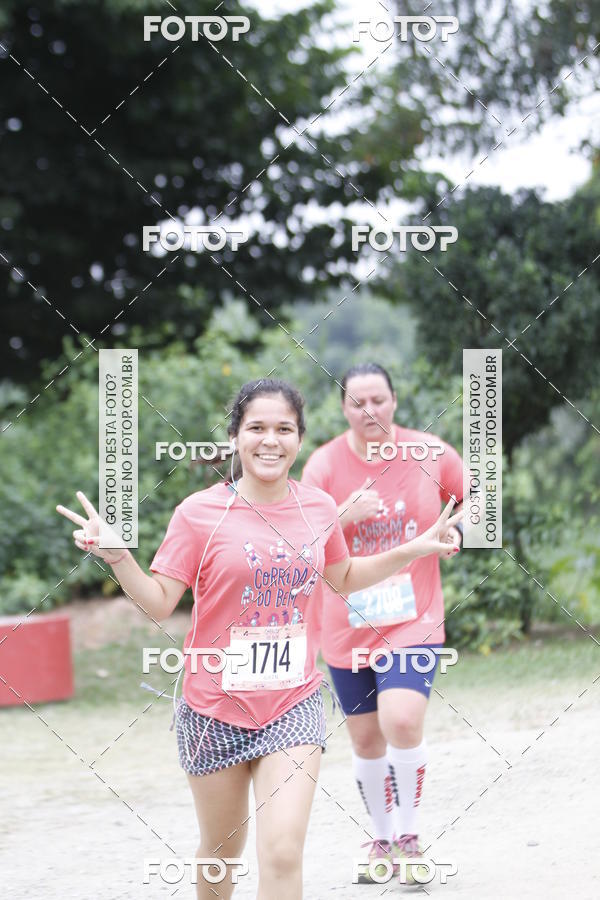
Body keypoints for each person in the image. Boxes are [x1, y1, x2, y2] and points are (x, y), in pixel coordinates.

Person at [57, 378, 462, 900]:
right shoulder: (198, 513)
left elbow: (343, 578)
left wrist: (414, 548)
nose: (270, 440)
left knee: (282, 852)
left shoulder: (318, 508)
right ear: (234, 438)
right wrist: (119, 557)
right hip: (212, 711)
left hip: (293, 707)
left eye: (284, 429)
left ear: (299, 438)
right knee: (221, 852)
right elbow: (159, 601)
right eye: (257, 428)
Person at [302, 363, 464, 885]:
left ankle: (411, 836)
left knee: (401, 721)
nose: (369, 410)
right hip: (345, 624)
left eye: (378, 399)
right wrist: (340, 517)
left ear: (395, 400)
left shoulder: (430, 453)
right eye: (357, 402)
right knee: (368, 741)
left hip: (413, 616)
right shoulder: (324, 466)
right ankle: (383, 836)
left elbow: (478, 495)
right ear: (343, 408)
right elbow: (299, 539)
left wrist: (456, 528)